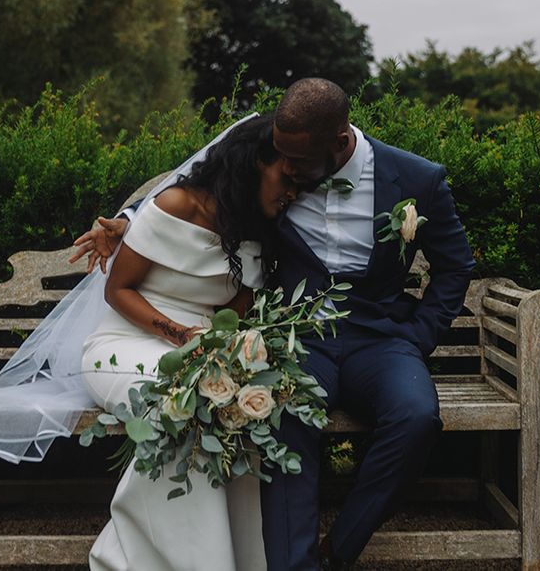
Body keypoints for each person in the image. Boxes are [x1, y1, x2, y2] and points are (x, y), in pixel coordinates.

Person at [77, 78, 475, 570]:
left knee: (417, 418)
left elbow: (455, 267)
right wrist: (128, 219)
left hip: (382, 341)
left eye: (298, 164)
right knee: (281, 417)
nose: (287, 170)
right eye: (281, 161)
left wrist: (419, 336)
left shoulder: (417, 179)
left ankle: (339, 550)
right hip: (299, 337)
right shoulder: (278, 163)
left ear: (338, 142)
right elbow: (209, 180)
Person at [80, 113, 295, 571]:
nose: (292, 190)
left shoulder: (257, 229)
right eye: (286, 175)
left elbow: (235, 311)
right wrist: (181, 336)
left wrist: (226, 350)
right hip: (126, 343)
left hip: (199, 351)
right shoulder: (175, 204)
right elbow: (117, 290)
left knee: (235, 414)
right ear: (256, 162)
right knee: (180, 404)